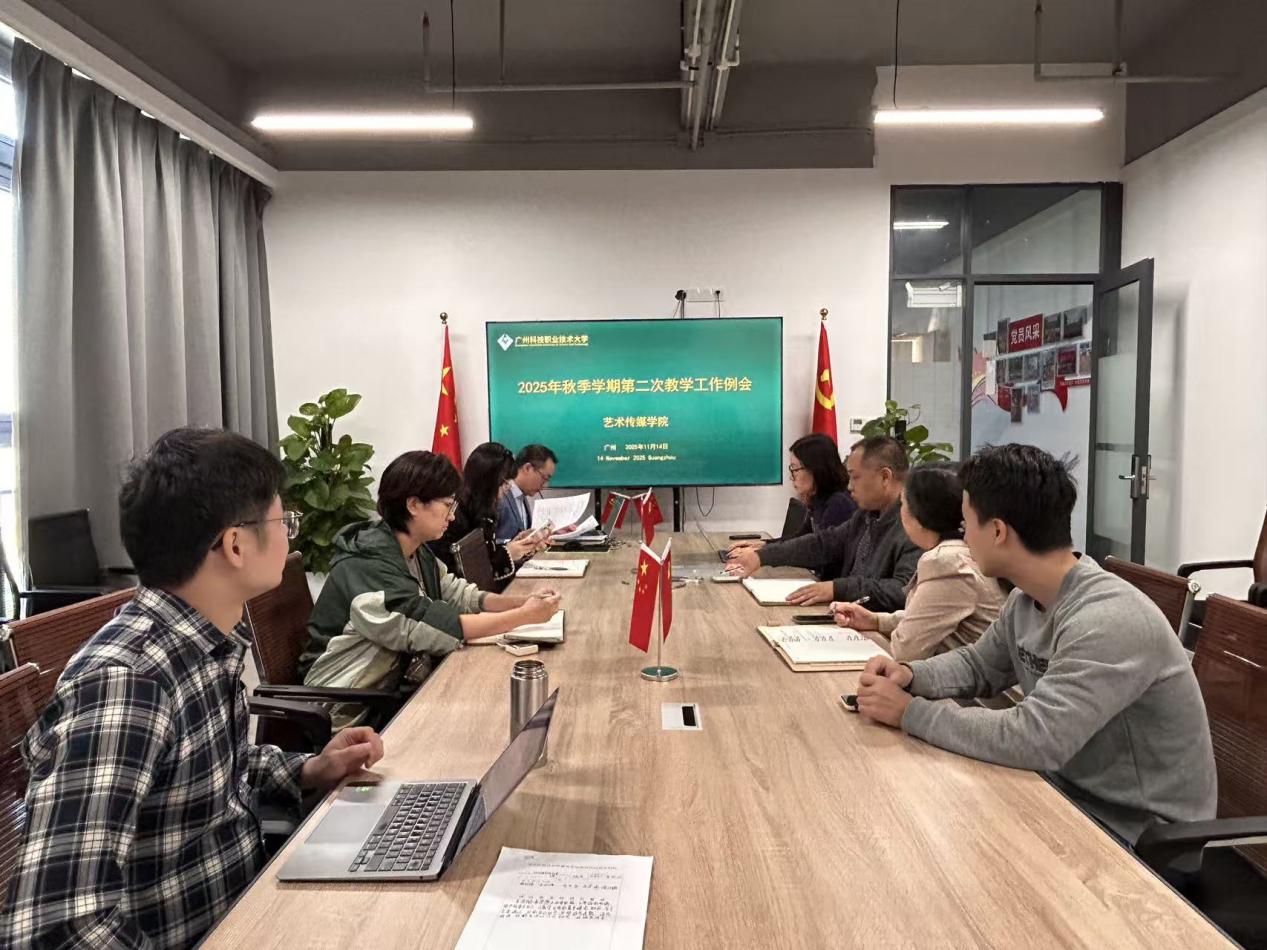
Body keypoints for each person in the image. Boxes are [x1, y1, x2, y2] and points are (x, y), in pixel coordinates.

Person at [0, 428, 384, 948]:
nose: (289, 537)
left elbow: (202, 771)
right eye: (283, 522)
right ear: (235, 544)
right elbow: (60, 924)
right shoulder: (128, 683)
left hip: (250, 910)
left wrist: (310, 769)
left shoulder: (205, 643)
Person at [854, 444, 1217, 844]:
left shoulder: (1107, 621)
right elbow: (979, 665)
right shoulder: (1026, 599)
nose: (963, 535)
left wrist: (910, 713)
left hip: (1139, 834)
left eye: (966, 523)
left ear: (997, 532)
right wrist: (909, 675)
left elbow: (1036, 739)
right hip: (1062, 792)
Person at [300, 450, 560, 729]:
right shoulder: (368, 565)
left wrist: (523, 602)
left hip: (388, 689)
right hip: (341, 709)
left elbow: (460, 594)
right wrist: (525, 616)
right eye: (447, 505)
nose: (452, 516)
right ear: (414, 504)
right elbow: (431, 626)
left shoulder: (414, 550)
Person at [830, 463, 1007, 661]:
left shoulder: (947, 562)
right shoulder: (958, 551)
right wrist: (876, 620)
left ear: (920, 513)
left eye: (903, 504)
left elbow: (906, 651)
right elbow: (927, 616)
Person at [725, 436, 920, 610]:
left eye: (855, 477)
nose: (850, 486)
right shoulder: (865, 516)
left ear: (885, 477)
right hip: (847, 615)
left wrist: (836, 588)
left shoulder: (916, 526)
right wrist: (761, 556)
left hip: (878, 631)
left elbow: (903, 592)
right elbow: (822, 543)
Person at [732, 433, 857, 577]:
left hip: (830, 585)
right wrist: (763, 545)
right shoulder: (819, 499)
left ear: (816, 469)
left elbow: (819, 553)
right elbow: (800, 539)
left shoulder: (839, 504)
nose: (791, 477)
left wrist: (762, 556)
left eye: (795, 469)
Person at [428, 442, 549, 584]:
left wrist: (516, 544)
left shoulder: (486, 508)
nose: (508, 487)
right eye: (504, 481)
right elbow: (462, 570)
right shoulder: (455, 514)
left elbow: (487, 552)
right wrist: (508, 554)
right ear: (487, 480)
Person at [495, 443, 557, 542]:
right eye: (545, 478)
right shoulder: (499, 497)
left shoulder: (522, 495)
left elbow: (522, 536)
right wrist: (514, 545)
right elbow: (485, 543)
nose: (545, 485)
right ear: (527, 468)